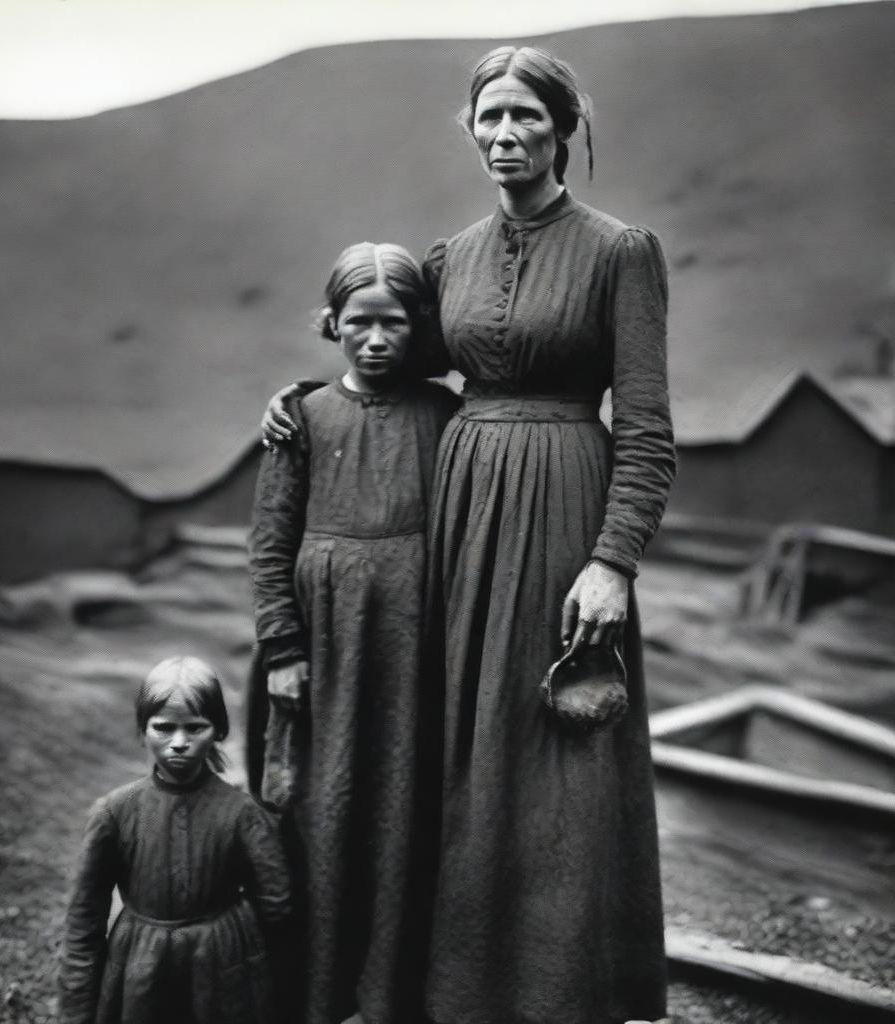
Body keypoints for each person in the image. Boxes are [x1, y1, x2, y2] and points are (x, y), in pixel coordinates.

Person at [260, 46, 675, 1024]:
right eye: (487, 118)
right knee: (457, 743)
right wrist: (299, 394)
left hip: (564, 506)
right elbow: (391, 359)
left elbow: (648, 428)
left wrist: (611, 561)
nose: (503, 136)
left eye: (524, 117)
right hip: (460, 516)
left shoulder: (620, 251)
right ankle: (459, 989)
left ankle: (559, 990)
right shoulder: (451, 256)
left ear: (563, 129)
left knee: (553, 746)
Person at [248, 242, 459, 1024]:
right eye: (358, 322)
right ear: (331, 323)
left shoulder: (444, 416)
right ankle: (316, 994)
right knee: (320, 809)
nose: (375, 339)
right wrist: (282, 651)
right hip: (323, 647)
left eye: (394, 323)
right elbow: (270, 543)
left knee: (402, 809)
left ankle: (391, 996)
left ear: (418, 328)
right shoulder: (302, 418)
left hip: (411, 646)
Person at [59, 656, 291, 1024]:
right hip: (141, 969)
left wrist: (258, 969)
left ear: (218, 730)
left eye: (195, 727)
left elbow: (277, 904)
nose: (179, 742)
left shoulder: (242, 813)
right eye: (164, 727)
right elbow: (83, 921)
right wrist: (76, 1012)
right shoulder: (115, 813)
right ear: (143, 729)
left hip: (224, 969)